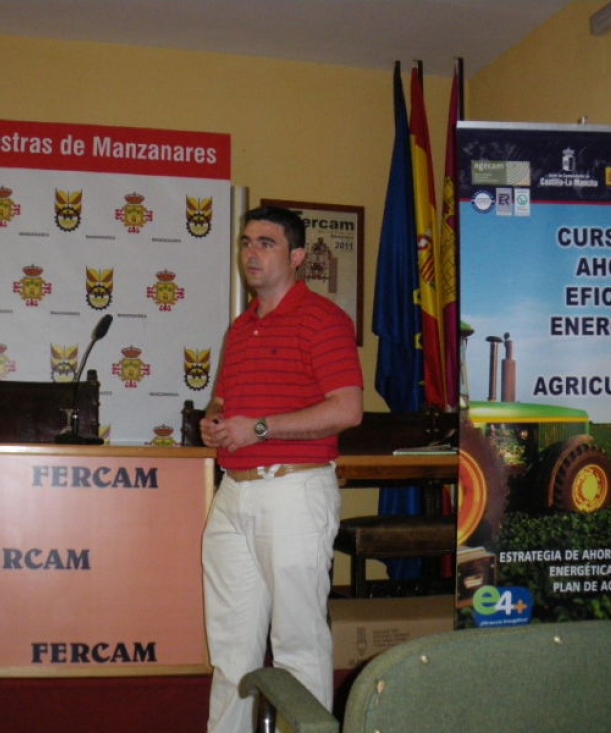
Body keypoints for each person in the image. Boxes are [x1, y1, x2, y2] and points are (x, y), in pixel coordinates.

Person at [199, 205, 364, 732]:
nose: (251, 252)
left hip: (293, 491)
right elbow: (222, 405)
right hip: (233, 494)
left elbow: (347, 409)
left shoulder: (324, 320)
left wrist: (260, 428)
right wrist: (215, 424)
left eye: (266, 243)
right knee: (231, 646)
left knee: (297, 642)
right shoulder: (241, 326)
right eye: (247, 242)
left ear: (296, 257)